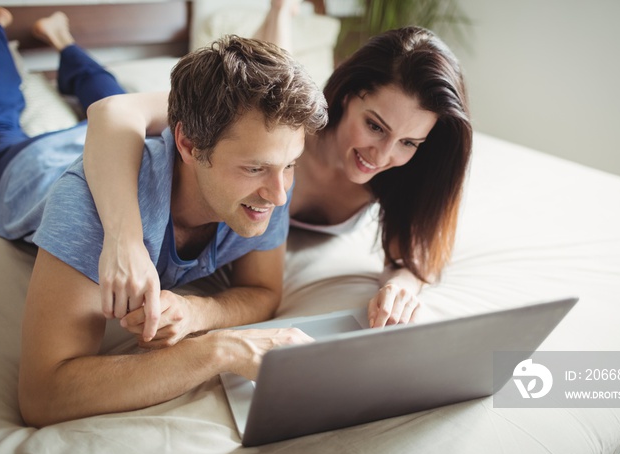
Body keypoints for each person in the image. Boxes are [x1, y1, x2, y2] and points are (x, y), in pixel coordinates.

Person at [0, 7, 328, 427]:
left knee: (105, 88)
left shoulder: (267, 186)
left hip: (119, 142)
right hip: (32, 163)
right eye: (254, 167)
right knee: (0, 121)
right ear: (187, 142)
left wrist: (200, 313)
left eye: (290, 164)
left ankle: (65, 43)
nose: (279, 193)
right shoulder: (88, 206)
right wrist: (219, 349)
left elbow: (263, 290)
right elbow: (44, 396)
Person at [83, 2, 473, 338]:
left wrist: (403, 285)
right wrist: (125, 240)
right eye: (374, 126)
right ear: (349, 95)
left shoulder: (403, 174)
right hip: (107, 138)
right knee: (101, 93)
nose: (383, 154)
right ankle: (71, 49)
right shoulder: (292, 125)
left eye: (409, 143)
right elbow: (113, 112)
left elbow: (412, 258)